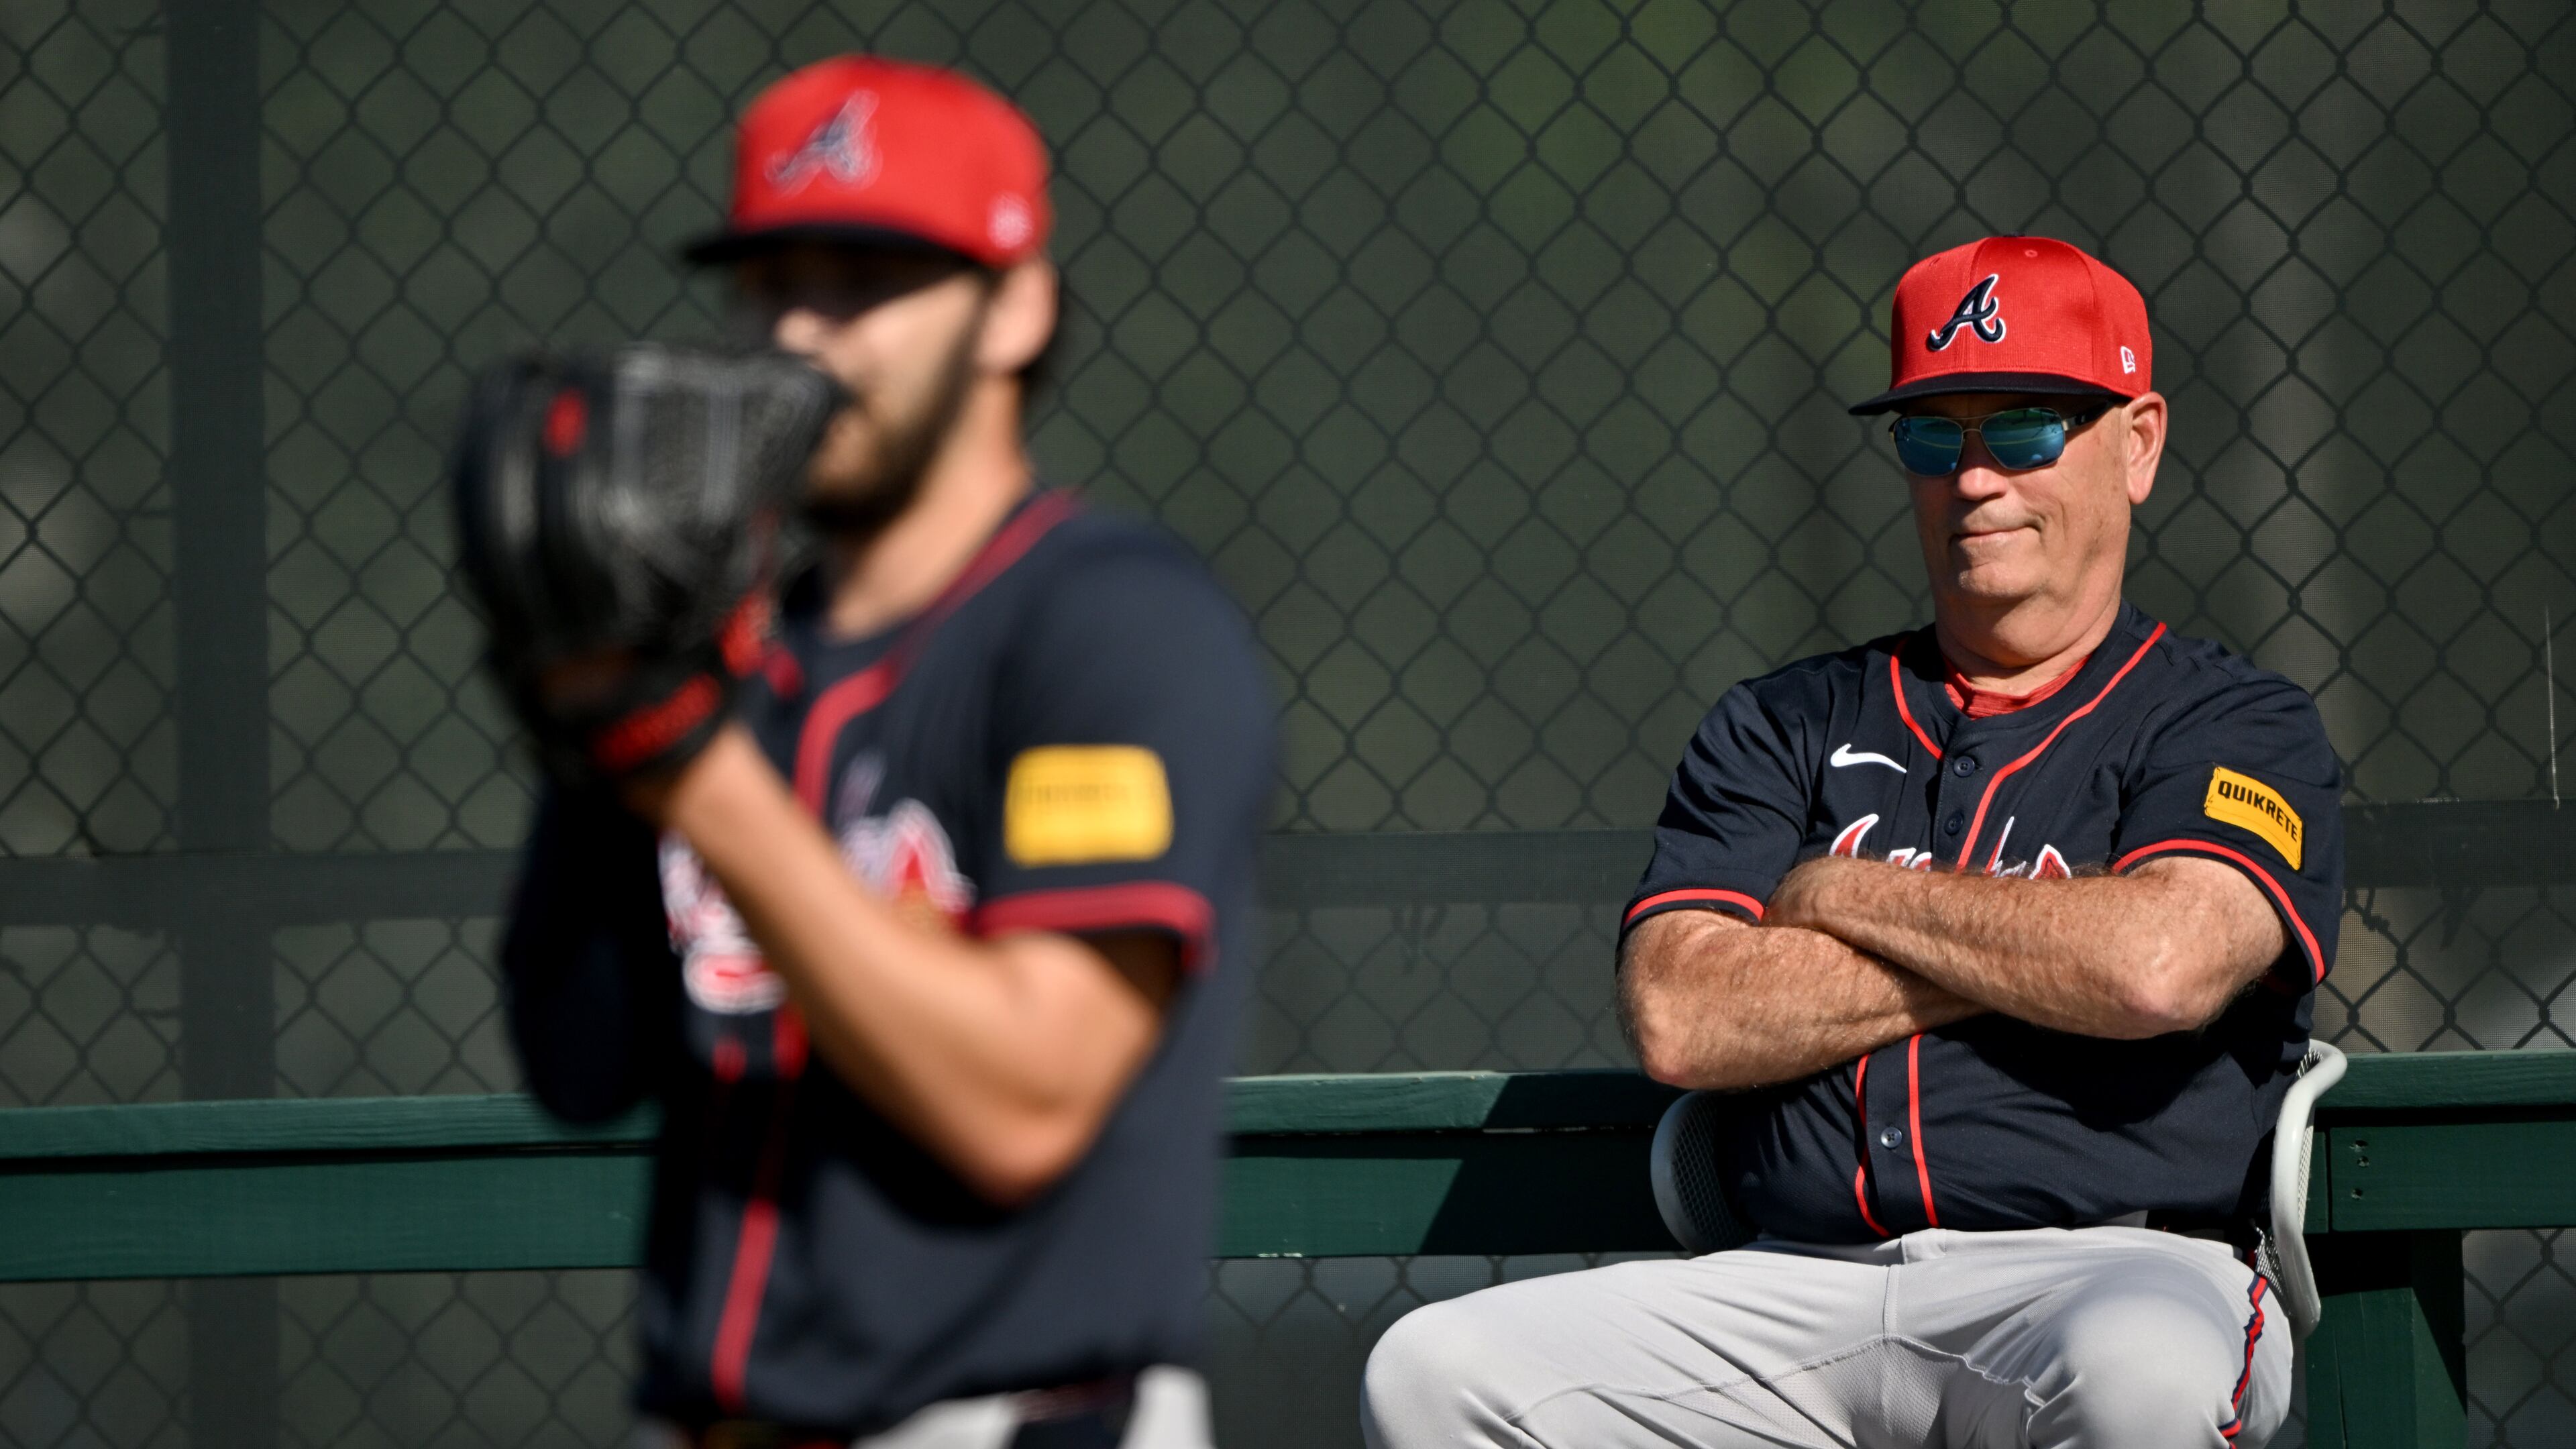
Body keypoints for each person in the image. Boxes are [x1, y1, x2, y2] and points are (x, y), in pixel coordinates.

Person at [1360, 236, 2342, 1449]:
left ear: (2136, 444)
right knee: (1438, 1369)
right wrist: (2036, 959)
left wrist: (1836, 890)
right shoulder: (1786, 719)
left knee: (2137, 1372)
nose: (1974, 478)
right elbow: (1682, 1014)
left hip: (2110, 1268)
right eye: (1935, 435)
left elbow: (2157, 966)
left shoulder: (2231, 721)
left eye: (2025, 428)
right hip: (1795, 1283)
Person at [489, 56, 1274, 1448]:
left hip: (1011, 1422)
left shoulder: (1111, 623)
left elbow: (1027, 1103)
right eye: (773, 276)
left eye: (866, 276)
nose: (804, 331)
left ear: (1015, 308)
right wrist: (592, 718)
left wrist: (689, 769)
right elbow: (580, 1064)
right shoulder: (730, 658)